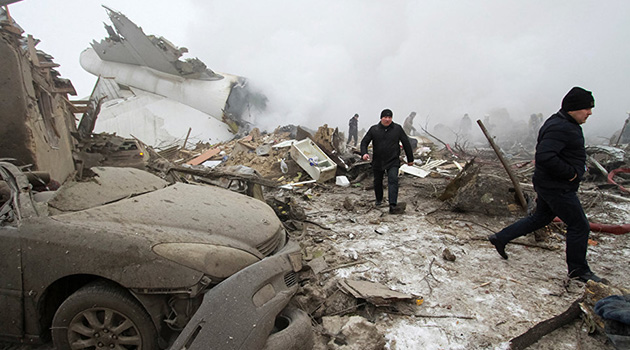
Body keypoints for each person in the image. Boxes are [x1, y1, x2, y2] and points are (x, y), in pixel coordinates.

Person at [488, 86, 605, 283]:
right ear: (574, 108)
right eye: (587, 108)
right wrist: (571, 173)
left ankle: (501, 237)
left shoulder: (563, 123)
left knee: (541, 218)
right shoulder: (561, 127)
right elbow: (545, 156)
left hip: (550, 185)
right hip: (557, 187)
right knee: (579, 225)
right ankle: (578, 270)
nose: (589, 112)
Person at [360, 109, 414, 214]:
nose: (387, 119)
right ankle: (379, 199)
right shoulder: (374, 129)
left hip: (393, 160)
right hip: (378, 160)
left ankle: (392, 205)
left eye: (389, 117)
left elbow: (406, 143)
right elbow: (364, 142)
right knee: (377, 181)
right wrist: (364, 153)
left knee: (393, 180)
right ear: (381, 118)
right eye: (385, 117)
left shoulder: (397, 129)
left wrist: (410, 159)